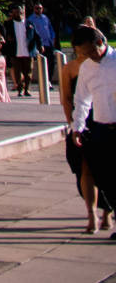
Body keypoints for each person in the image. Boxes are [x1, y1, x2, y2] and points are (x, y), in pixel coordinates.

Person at [63, 23, 110, 234]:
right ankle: (94, 213)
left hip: (111, 121)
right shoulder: (81, 68)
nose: (88, 56)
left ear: (100, 42)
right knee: (94, 173)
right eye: (82, 53)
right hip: (94, 125)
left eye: (90, 51)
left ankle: (108, 214)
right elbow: (77, 99)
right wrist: (76, 126)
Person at [9, 3, 34, 94]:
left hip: (27, 51)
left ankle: (27, 89)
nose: (18, 14)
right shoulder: (9, 24)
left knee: (28, 72)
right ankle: (19, 88)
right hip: (16, 52)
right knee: (17, 72)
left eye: (19, 12)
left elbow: (35, 35)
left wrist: (39, 45)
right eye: (16, 13)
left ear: (22, 12)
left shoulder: (29, 23)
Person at [30, 1, 58, 83]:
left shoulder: (45, 18)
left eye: (40, 8)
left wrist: (53, 39)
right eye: (37, 8)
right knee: (42, 63)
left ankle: (49, 80)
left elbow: (50, 29)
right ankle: (43, 81)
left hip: (48, 44)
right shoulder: (31, 19)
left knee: (51, 63)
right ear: (34, 9)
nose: (38, 10)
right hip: (39, 45)